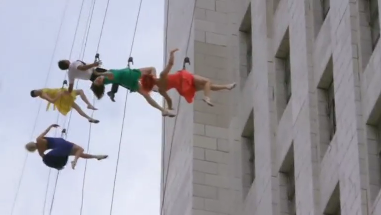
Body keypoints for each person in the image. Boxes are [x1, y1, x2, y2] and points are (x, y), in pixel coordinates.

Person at [141, 48, 236, 108]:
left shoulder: (161, 90)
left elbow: (169, 100)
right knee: (207, 82)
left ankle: (226, 87)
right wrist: (171, 54)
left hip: (184, 89)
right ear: (151, 76)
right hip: (184, 78)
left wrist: (169, 108)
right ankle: (207, 97)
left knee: (207, 86)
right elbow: (170, 64)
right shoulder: (162, 76)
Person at [90, 66, 175, 117]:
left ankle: (163, 110)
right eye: (98, 81)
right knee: (152, 69)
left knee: (146, 96)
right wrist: (99, 74)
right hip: (129, 74)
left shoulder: (105, 81)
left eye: (96, 79)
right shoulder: (106, 78)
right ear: (101, 85)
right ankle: (155, 86)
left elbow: (111, 77)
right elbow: (111, 75)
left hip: (128, 82)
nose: (98, 79)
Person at [25, 124, 108, 170]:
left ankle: (79, 160)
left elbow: (46, 159)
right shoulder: (38, 139)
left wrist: (57, 166)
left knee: (78, 152)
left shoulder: (40, 152)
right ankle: (93, 157)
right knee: (80, 150)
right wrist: (51, 126)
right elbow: (45, 131)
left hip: (59, 151)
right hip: (62, 143)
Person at [30, 88, 99, 123]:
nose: (37, 92)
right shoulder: (43, 94)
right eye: (36, 94)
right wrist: (59, 94)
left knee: (79, 97)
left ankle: (89, 114)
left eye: (36, 91)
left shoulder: (41, 91)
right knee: (78, 104)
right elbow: (52, 101)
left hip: (62, 93)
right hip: (62, 97)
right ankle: (89, 109)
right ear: (36, 95)